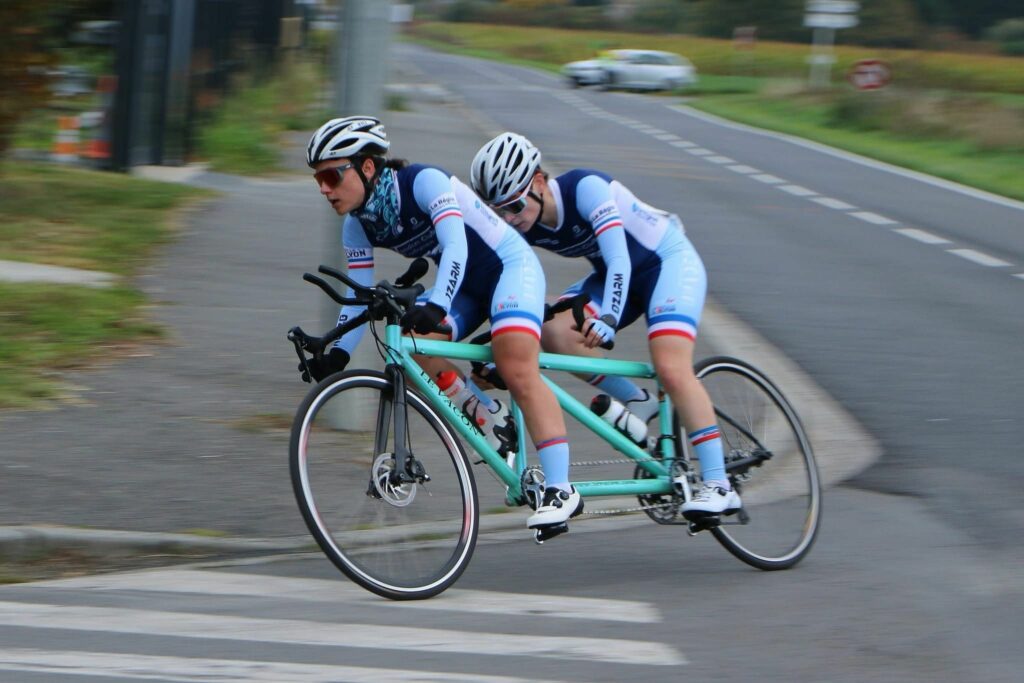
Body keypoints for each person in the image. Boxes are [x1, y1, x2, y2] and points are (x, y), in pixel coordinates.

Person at [304, 116, 582, 531]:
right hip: (466, 286)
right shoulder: (356, 226)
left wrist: (439, 304)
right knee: (414, 351)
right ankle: (488, 414)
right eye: (317, 179)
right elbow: (358, 294)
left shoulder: (423, 183)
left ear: (366, 166)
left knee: (515, 363)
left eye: (331, 174)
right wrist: (338, 351)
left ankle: (561, 488)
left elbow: (455, 246)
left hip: (509, 269)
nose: (324, 188)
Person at [470, 132, 740, 518]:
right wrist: (500, 338)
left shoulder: (586, 189)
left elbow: (620, 260)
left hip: (666, 264)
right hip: (615, 277)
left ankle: (719, 483)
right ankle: (641, 405)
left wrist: (610, 317)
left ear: (540, 182)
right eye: (499, 213)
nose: (510, 219)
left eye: (514, 205)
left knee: (670, 365)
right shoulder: (520, 222)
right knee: (553, 330)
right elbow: (512, 282)